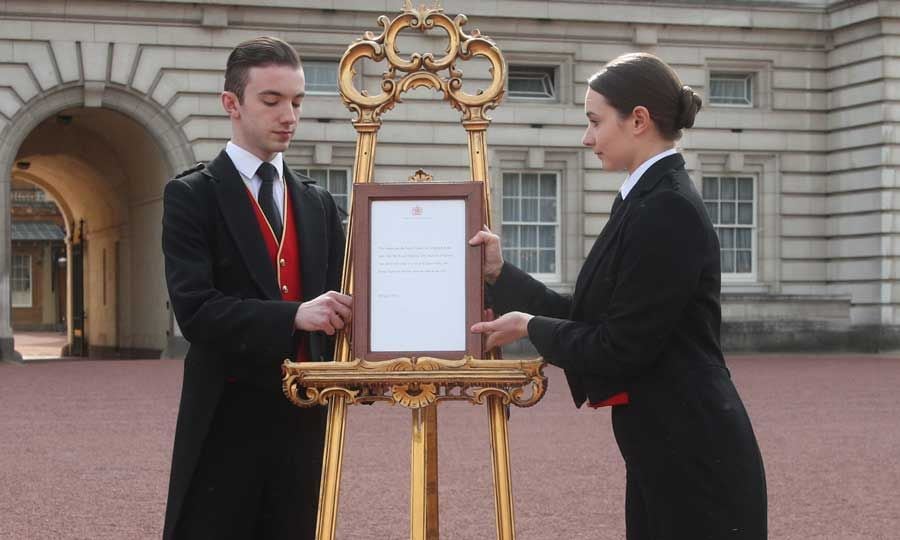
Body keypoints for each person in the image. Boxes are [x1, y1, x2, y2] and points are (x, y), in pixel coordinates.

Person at [470, 52, 767, 539]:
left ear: (639, 120)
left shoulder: (665, 207)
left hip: (694, 457)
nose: (587, 138)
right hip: (668, 445)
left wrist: (530, 328)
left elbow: (620, 346)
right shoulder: (644, 198)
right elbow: (588, 318)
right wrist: (500, 275)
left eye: (594, 121)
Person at [161, 36, 350, 540]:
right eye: (271, 101)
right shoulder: (191, 196)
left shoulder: (318, 203)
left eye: (296, 101)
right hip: (225, 417)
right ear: (232, 103)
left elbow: (352, 295)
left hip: (305, 420)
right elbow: (195, 311)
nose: (289, 115)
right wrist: (292, 315)